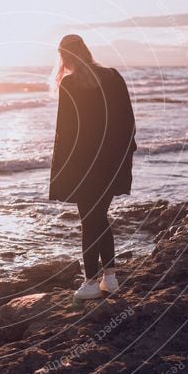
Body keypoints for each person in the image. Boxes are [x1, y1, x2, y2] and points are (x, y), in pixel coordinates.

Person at [48, 34, 137, 300]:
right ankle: (110, 278)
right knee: (99, 217)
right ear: (85, 50)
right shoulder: (112, 76)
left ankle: (89, 282)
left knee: (90, 220)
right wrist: (124, 156)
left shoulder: (70, 83)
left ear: (63, 56)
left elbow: (65, 131)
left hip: (84, 164)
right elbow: (128, 121)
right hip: (113, 162)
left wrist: (61, 168)